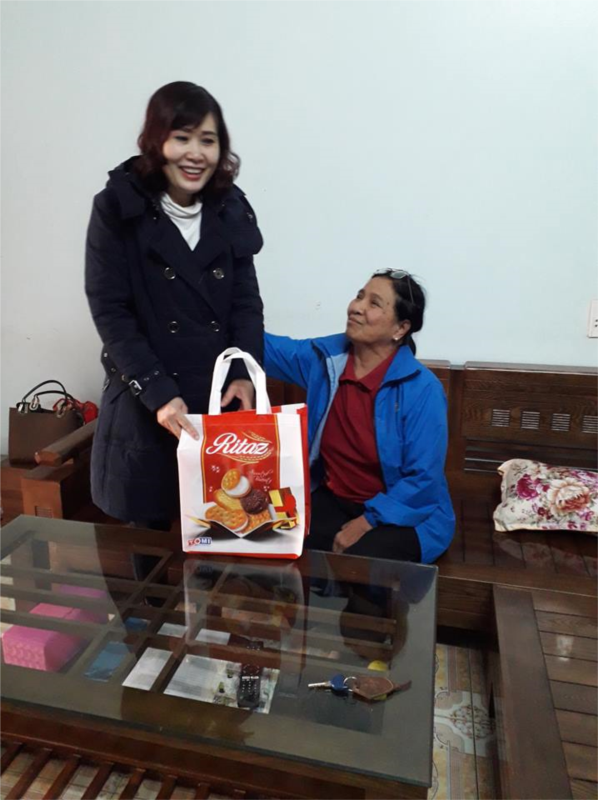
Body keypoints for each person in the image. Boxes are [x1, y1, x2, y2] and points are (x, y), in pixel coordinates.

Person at [85, 81, 264, 528]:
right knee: (150, 545)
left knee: (226, 531)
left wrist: (243, 373)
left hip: (216, 403)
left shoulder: (230, 207)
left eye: (208, 140)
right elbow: (111, 310)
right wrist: (160, 394)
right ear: (156, 141)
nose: (196, 153)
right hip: (149, 404)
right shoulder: (117, 207)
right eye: (182, 137)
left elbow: (246, 303)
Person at [264, 270, 455, 563]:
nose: (356, 307)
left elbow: (423, 480)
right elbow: (265, 348)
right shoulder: (325, 360)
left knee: (363, 562)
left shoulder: (422, 390)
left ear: (401, 328)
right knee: (270, 534)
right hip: (335, 498)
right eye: (359, 296)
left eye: (374, 303)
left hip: (405, 511)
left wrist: (368, 521)